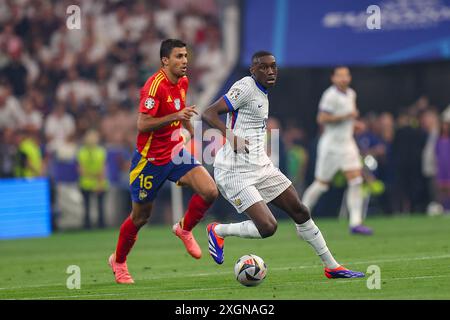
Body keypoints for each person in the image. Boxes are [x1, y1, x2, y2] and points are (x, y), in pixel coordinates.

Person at [201, 51, 364, 279]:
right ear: (253, 70)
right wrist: (231, 137)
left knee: (300, 210)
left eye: (273, 67)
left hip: (261, 166)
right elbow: (208, 113)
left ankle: (332, 266)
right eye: (264, 67)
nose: (270, 71)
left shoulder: (263, 92)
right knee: (268, 227)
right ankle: (218, 230)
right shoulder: (245, 87)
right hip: (234, 171)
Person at [108, 39, 218, 284]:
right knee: (140, 218)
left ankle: (184, 228)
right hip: (149, 160)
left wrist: (190, 129)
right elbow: (142, 123)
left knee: (210, 191)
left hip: (175, 153)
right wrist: (175, 116)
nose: (185, 61)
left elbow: (182, 112)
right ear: (165, 60)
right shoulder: (153, 86)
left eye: (186, 56)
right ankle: (118, 260)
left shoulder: (183, 81)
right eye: (179, 56)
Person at [302, 66, 373, 235]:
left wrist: (355, 124)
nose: (344, 78)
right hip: (331, 147)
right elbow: (321, 118)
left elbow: (347, 120)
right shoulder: (330, 95)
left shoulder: (351, 94)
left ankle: (355, 223)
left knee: (356, 180)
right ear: (333, 78)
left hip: (347, 144)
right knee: (321, 185)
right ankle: (301, 219)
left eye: (346, 75)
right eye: (340, 76)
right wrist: (346, 117)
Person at [77, 130, 108, 229]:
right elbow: (81, 170)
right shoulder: (82, 152)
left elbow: (103, 169)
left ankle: (100, 225)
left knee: (99, 206)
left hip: (95, 182)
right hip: (87, 183)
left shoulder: (100, 151)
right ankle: (88, 225)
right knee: (87, 206)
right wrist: (96, 176)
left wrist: (99, 182)